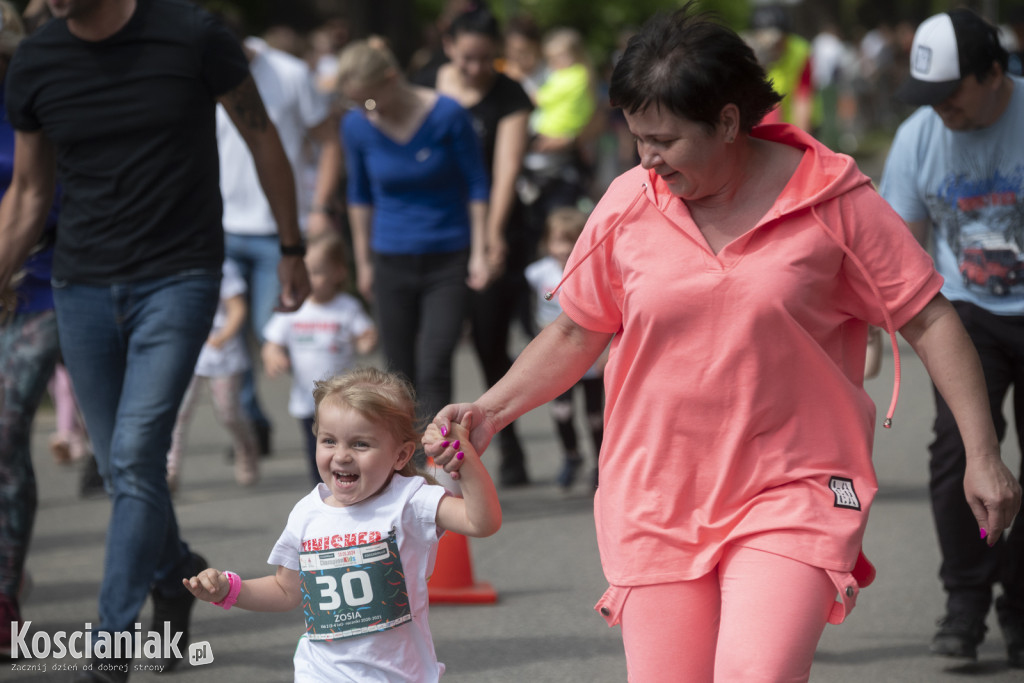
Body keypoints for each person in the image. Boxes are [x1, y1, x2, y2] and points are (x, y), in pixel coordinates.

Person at [424, 5, 1022, 682]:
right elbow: (574, 329)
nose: (647, 157)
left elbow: (930, 316)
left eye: (666, 140)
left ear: (730, 122)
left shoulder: (832, 198)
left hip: (793, 483)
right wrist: (490, 410)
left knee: (755, 673)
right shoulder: (627, 201)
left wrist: (982, 453)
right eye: (637, 138)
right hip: (656, 491)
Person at [0, 0, 311, 679]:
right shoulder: (38, 58)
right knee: (120, 469)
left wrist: (292, 246)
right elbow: (28, 189)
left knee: (136, 453)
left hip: (180, 276)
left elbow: (262, 138)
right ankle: (176, 572)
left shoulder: (194, 36)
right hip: (80, 285)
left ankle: (110, 649)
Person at [182, 367, 501, 681]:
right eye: (329, 441)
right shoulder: (307, 513)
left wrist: (465, 460)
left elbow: (481, 522)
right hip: (320, 673)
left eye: (361, 444)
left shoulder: (409, 501)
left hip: (399, 674)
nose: (342, 455)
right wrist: (228, 589)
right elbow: (285, 590)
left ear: (401, 455)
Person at [878, 8, 1024, 668]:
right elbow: (897, 248)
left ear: (995, 74)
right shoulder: (917, 139)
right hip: (966, 313)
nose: (940, 111)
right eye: (927, 99)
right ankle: (964, 599)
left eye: (951, 94)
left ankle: (1020, 604)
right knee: (957, 454)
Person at [337, 37, 490, 427]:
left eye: (369, 100)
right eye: (357, 103)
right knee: (396, 372)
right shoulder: (356, 125)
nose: (365, 111)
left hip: (447, 253)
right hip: (390, 255)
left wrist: (480, 250)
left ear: (392, 79)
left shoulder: (448, 115)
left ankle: (437, 463)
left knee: (435, 362)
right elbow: (359, 195)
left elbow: (476, 183)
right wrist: (363, 262)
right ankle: (403, 467)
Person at [415, 6, 535, 486]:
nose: (475, 69)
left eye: (486, 59)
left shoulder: (509, 95)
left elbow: (505, 169)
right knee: (432, 351)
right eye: (466, 58)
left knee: (490, 343)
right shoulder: (423, 84)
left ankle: (510, 445)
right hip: (436, 230)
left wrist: (491, 237)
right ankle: (429, 458)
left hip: (495, 227)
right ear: (449, 47)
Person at [217, 16, 343, 457]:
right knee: (228, 336)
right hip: (220, 225)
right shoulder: (200, 67)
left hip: (277, 229)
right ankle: (251, 418)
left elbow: (328, 140)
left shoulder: (289, 73)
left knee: (267, 328)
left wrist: (321, 207)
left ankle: (318, 428)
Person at [0, 0, 60, 658]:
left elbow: (41, 193)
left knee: (7, 428)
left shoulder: (34, 99)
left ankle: (5, 592)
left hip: (43, 285)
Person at [262, 232, 377, 486]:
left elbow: (367, 332)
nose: (311, 279)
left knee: (344, 449)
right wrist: (273, 355)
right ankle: (323, 494)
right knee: (317, 452)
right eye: (307, 272)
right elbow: (271, 342)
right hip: (307, 400)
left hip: (343, 400)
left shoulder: (347, 307)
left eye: (318, 272)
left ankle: (349, 488)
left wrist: (366, 340)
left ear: (338, 273)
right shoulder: (293, 307)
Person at [524, 206, 605, 490]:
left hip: (590, 354)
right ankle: (571, 456)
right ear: (547, 243)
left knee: (595, 416)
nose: (563, 248)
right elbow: (532, 311)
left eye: (571, 241)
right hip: (559, 355)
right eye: (557, 241)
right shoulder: (537, 273)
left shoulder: (591, 270)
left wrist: (605, 353)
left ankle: (600, 465)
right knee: (562, 412)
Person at [166, 258, 259, 492]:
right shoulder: (167, 264)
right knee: (179, 413)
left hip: (221, 353)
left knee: (228, 412)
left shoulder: (223, 266)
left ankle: (247, 447)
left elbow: (237, 308)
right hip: (185, 352)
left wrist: (222, 336)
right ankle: (170, 470)